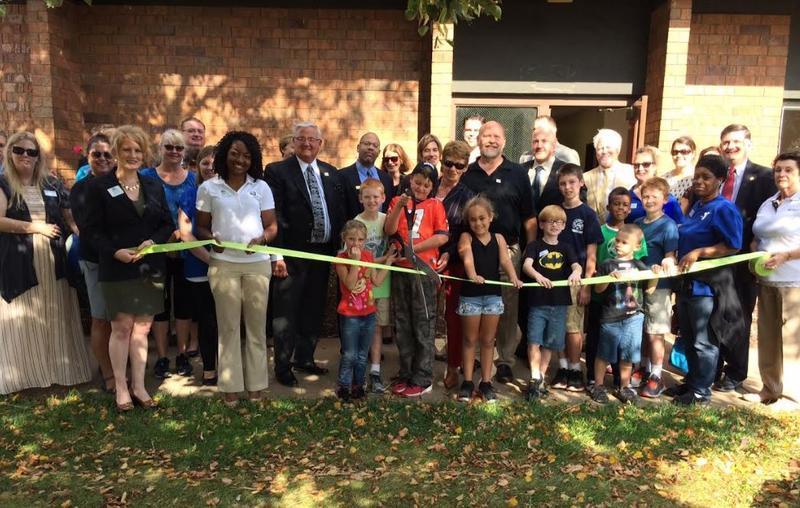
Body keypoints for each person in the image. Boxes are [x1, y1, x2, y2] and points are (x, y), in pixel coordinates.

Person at [83, 125, 173, 411]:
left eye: (138, 150)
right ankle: (120, 387)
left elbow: (167, 224)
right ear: (117, 152)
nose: (133, 155)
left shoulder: (152, 185)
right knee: (121, 327)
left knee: (142, 328)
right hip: (117, 266)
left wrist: (153, 241)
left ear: (144, 154)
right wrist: (114, 252)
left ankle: (139, 385)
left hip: (150, 266)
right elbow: (91, 231)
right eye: (127, 150)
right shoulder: (99, 186)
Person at [0, 131, 92, 395]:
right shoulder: (3, 183)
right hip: (21, 261)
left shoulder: (51, 185)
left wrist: (79, 231)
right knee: (24, 314)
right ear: (10, 153)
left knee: (55, 313)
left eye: (32, 152)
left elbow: (68, 215)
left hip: (53, 260)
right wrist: (34, 227)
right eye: (20, 150)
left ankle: (57, 371)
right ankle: (25, 376)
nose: (26, 156)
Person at [195, 131, 277, 406]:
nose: (240, 160)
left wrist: (263, 239)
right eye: (234, 153)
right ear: (224, 154)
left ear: (252, 159)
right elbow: (202, 225)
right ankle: (230, 387)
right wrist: (211, 240)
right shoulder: (208, 188)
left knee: (256, 329)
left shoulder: (261, 188)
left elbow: (272, 226)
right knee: (228, 327)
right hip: (224, 266)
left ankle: (255, 388)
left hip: (257, 265)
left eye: (246, 155)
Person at [263, 121, 346, 387]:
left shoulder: (330, 173)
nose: (307, 143)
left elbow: (339, 213)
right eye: (302, 139)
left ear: (321, 144)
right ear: (294, 142)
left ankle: (305, 358)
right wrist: (277, 256)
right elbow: (274, 215)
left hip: (321, 254)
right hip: (291, 255)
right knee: (286, 312)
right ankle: (283, 365)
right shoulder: (277, 171)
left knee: (313, 308)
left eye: (313, 139)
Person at [460, 121, 535, 384]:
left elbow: (529, 217)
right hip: (474, 248)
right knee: (477, 304)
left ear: (503, 141)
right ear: (478, 141)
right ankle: (478, 357)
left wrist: (530, 252)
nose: (490, 140)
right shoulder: (467, 173)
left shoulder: (517, 173)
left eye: (496, 136)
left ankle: (504, 360)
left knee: (506, 306)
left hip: (509, 249)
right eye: (485, 136)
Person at [669, 155, 744, 405]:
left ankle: (701, 391)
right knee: (688, 337)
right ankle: (691, 382)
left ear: (720, 180)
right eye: (697, 176)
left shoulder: (723, 208)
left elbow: (733, 245)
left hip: (707, 287)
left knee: (704, 341)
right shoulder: (698, 206)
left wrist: (701, 252)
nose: (699, 181)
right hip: (686, 283)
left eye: (706, 177)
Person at [715, 123, 776, 393]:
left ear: (748, 144)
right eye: (726, 142)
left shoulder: (764, 177)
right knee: (713, 314)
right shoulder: (715, 175)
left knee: (739, 315)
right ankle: (711, 368)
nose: (730, 147)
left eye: (736, 141)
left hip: (743, 260)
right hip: (714, 259)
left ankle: (736, 372)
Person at [385, 163, 448, 397]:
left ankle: (423, 376)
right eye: (417, 182)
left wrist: (415, 248)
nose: (421, 187)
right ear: (410, 181)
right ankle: (406, 372)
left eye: (426, 184)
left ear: (432, 186)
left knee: (423, 323)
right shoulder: (397, 201)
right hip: (401, 270)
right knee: (402, 323)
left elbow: (441, 237)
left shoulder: (436, 206)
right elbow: (389, 229)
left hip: (422, 271)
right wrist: (398, 207)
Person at [140, 129, 196, 379]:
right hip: (156, 251)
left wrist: (182, 235)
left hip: (187, 253)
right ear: (160, 148)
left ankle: (182, 355)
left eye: (179, 148)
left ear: (184, 151)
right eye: (169, 147)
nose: (174, 152)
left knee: (184, 306)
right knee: (159, 306)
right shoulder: (146, 177)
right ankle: (162, 357)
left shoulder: (194, 179)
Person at [457, 196, 523, 402]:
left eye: (482, 218)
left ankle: (486, 382)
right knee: (469, 340)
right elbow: (467, 257)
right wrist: (472, 275)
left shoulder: (499, 238)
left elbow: (505, 259)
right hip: (471, 296)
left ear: (491, 217)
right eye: (473, 219)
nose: (478, 223)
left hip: (493, 295)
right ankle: (467, 382)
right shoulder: (466, 237)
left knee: (488, 341)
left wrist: (513, 277)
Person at [584, 186, 647, 391]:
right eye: (616, 203)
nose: (620, 208)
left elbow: (641, 265)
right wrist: (591, 284)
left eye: (625, 205)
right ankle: (595, 380)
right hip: (602, 296)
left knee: (625, 346)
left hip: (626, 301)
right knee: (597, 341)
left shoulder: (635, 233)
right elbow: (592, 258)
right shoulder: (600, 230)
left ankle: (622, 382)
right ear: (608, 206)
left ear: (630, 209)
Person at [750, 151, 800, 405]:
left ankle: (791, 397)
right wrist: (753, 253)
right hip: (767, 279)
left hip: (794, 281)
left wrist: (786, 256)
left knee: (792, 339)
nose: (781, 174)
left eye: (788, 169)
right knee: (768, 336)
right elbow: (759, 235)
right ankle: (769, 389)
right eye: (778, 169)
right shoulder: (769, 202)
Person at [69, 133, 116, 393]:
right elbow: (88, 228)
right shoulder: (81, 189)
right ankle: (108, 374)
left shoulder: (123, 184)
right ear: (87, 157)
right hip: (96, 260)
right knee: (100, 318)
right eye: (96, 154)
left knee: (119, 319)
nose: (102, 158)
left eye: (107, 154)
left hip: (123, 262)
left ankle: (119, 365)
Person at [521, 205, 582, 401]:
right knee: (534, 341)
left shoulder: (566, 248)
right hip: (538, 303)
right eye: (550, 221)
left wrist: (575, 272)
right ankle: (534, 378)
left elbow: (577, 266)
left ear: (564, 226)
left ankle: (540, 379)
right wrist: (537, 276)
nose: (554, 225)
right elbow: (526, 265)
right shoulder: (534, 246)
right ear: (541, 224)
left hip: (559, 304)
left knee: (550, 343)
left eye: (559, 222)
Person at [589, 224, 654, 404]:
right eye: (617, 240)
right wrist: (609, 278)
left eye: (624, 242)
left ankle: (624, 387)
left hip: (634, 317)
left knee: (628, 355)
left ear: (637, 247)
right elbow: (599, 289)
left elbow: (650, 290)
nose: (618, 244)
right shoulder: (607, 264)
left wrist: (655, 274)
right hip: (611, 317)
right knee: (604, 354)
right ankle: (599, 386)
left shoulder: (640, 266)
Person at [552, 164, 603, 392]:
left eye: (572, 182)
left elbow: (592, 254)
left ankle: (575, 369)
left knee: (573, 328)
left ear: (581, 183)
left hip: (576, 281)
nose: (567, 187)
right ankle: (562, 368)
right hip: (555, 279)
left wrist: (587, 285)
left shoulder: (588, 214)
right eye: (563, 183)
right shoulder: (555, 213)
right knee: (558, 326)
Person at [334, 220, 395, 402]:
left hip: (368, 314)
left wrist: (388, 262)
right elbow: (351, 284)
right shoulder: (341, 259)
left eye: (360, 240)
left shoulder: (368, 256)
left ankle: (358, 385)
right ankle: (344, 386)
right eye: (352, 239)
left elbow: (376, 281)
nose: (356, 243)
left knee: (362, 354)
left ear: (365, 240)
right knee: (350, 354)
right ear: (344, 238)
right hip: (349, 315)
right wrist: (355, 262)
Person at [434, 140, 475, 389]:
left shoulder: (468, 197)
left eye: (459, 166)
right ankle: (418, 366)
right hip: (423, 259)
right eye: (448, 163)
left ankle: (453, 367)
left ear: (465, 168)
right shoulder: (427, 187)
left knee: (453, 317)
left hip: (453, 263)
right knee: (424, 315)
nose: (452, 169)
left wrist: (449, 254)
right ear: (441, 162)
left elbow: (464, 232)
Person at [634, 177, 679, 398]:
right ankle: (642, 367)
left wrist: (666, 263)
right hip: (638, 284)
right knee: (642, 328)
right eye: (645, 196)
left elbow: (670, 255)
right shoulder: (639, 224)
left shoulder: (668, 225)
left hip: (658, 286)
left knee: (655, 332)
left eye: (654, 197)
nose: (649, 200)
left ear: (665, 199)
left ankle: (656, 375)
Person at [178, 144, 218, 386]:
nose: (210, 168)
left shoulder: (228, 194)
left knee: (226, 319)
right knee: (206, 319)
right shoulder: (189, 195)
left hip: (228, 266)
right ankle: (209, 368)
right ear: (197, 166)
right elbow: (186, 235)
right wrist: (211, 260)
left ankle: (227, 364)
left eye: (215, 164)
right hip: (199, 267)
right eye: (205, 163)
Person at [354, 178, 394, 393]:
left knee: (377, 327)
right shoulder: (356, 223)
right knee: (362, 328)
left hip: (383, 284)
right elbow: (358, 258)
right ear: (360, 198)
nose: (371, 201)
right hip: (362, 284)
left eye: (375, 197)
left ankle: (375, 370)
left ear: (383, 198)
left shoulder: (387, 221)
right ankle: (358, 367)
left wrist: (389, 258)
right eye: (367, 196)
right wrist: (385, 259)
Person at [583, 129, 636, 220]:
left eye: (608, 147)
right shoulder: (586, 177)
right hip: (594, 230)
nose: (604, 151)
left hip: (623, 230)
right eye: (600, 148)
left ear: (618, 149)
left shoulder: (631, 172)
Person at [340, 132, 394, 217]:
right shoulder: (342, 176)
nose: (370, 148)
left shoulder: (387, 179)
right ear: (358, 148)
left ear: (379, 152)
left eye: (375, 145)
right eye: (367, 144)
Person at [627, 146, 683, 224]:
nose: (640, 168)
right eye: (636, 165)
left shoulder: (668, 199)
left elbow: (679, 226)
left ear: (655, 166)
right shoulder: (626, 197)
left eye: (646, 164)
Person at [665, 135, 696, 212]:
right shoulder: (664, 178)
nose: (678, 155)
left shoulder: (697, 178)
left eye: (684, 152)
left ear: (693, 153)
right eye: (675, 152)